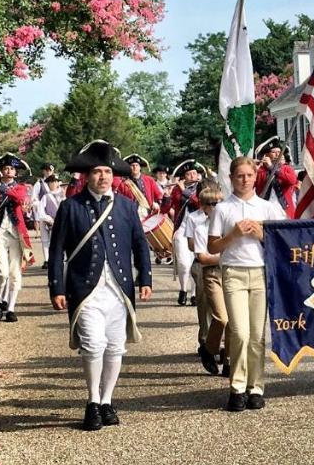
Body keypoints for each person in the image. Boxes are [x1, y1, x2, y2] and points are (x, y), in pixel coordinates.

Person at [47, 140, 152, 432]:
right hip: (85, 288)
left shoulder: (128, 207)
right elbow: (56, 251)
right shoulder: (70, 207)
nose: (103, 176)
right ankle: (92, 401)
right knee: (93, 344)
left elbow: (139, 244)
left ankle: (107, 401)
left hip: (118, 288)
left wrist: (145, 277)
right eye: (96, 172)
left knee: (115, 347)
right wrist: (56, 287)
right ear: (86, 176)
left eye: (107, 171)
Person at [208, 156, 286, 412]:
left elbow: (281, 243)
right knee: (239, 332)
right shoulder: (222, 209)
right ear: (231, 178)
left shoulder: (267, 207)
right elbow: (212, 246)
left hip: (260, 272)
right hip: (234, 273)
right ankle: (237, 386)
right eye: (239, 175)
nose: (244, 180)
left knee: (257, 335)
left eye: (249, 175)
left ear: (255, 177)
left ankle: (256, 386)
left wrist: (261, 234)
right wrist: (234, 234)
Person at [0, 154, 34, 322]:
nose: (8, 171)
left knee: (15, 273)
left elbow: (18, 199)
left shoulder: (21, 188)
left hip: (17, 234)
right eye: (5, 168)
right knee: (1, 273)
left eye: (11, 169)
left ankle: (10, 308)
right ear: (1, 171)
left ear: (15, 173)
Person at [186, 180, 227, 377]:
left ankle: (228, 359)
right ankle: (208, 347)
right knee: (220, 317)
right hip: (211, 272)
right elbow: (201, 256)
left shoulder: (229, 224)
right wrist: (226, 256)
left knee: (234, 320)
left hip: (230, 273)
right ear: (203, 207)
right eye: (212, 204)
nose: (216, 207)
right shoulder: (200, 226)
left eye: (219, 203)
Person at [165, 160, 204, 305]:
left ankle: (194, 294)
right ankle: (183, 289)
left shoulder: (202, 187)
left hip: (199, 229)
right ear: (184, 177)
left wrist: (184, 191)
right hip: (182, 228)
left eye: (194, 173)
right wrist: (167, 196)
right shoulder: (176, 189)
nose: (192, 175)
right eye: (189, 174)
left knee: (197, 261)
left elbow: (199, 202)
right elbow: (166, 209)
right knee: (183, 263)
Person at [254, 138, 299, 218]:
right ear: (266, 155)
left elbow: (292, 180)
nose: (278, 154)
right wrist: (252, 169)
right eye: (274, 152)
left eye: (279, 152)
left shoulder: (286, 168)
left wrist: (272, 167)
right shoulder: (260, 170)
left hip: (284, 211)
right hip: (264, 210)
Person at [35, 175, 63, 269]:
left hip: (61, 222)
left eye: (55, 182)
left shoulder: (63, 195)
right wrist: (49, 220)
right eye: (51, 182)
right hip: (47, 222)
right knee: (45, 241)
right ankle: (47, 260)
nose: (53, 184)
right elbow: (41, 211)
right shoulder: (45, 197)